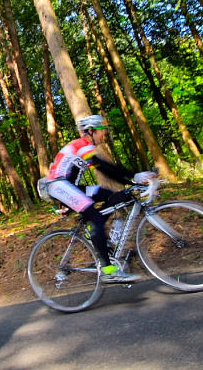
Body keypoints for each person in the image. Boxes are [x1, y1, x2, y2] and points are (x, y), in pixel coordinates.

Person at [46, 114, 157, 283]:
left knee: (112, 195)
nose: (104, 134)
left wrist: (129, 182)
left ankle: (96, 233)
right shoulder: (81, 144)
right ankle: (107, 270)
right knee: (96, 217)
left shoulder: (85, 146)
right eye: (101, 131)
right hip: (58, 185)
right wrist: (133, 177)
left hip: (71, 186)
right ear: (91, 131)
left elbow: (107, 170)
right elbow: (104, 167)